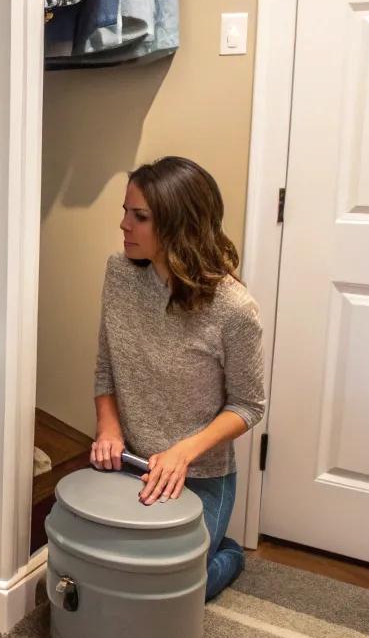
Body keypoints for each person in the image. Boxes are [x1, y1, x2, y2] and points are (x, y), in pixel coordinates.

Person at [90, 156, 265, 599]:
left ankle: (229, 554)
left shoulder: (234, 309)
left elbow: (248, 406)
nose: (124, 224)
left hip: (199, 475)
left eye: (140, 216)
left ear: (179, 224)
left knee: (171, 593)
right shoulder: (119, 274)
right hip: (128, 463)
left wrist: (182, 454)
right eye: (126, 211)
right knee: (105, 575)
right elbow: (106, 367)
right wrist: (108, 428)